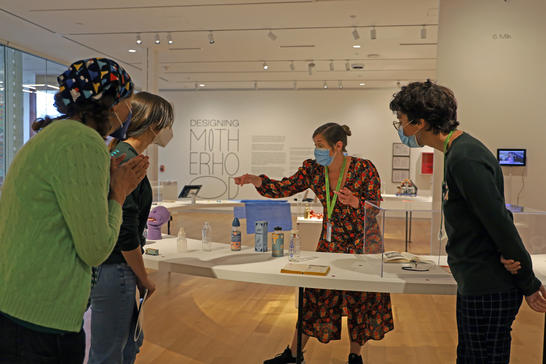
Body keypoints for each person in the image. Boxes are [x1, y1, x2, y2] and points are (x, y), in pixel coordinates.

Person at [0, 58, 149, 363]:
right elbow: (95, 249)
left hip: (17, 307)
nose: (128, 114)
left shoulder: (53, 136)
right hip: (44, 319)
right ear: (111, 102)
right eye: (126, 103)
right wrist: (118, 193)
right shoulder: (83, 142)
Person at [389, 80, 546, 363]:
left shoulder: (465, 157)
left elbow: (498, 221)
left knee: (482, 357)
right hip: (478, 280)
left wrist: (528, 282)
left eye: (400, 121)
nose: (401, 129)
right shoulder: (457, 154)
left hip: (488, 285)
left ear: (419, 122)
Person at [235, 123, 393, 364]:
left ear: (338, 146)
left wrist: (356, 202)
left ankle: (355, 356)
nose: (316, 150)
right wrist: (256, 180)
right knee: (316, 294)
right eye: (315, 145)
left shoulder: (363, 168)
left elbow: (376, 206)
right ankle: (294, 353)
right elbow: (284, 187)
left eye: (320, 145)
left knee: (361, 298)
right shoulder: (314, 169)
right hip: (331, 240)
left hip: (362, 240)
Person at [89, 91, 174, 364]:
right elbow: (124, 232)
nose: (169, 130)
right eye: (167, 123)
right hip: (116, 269)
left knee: (126, 346)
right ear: (153, 124)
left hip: (112, 269)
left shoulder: (122, 153)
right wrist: (143, 277)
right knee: (110, 353)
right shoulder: (125, 158)